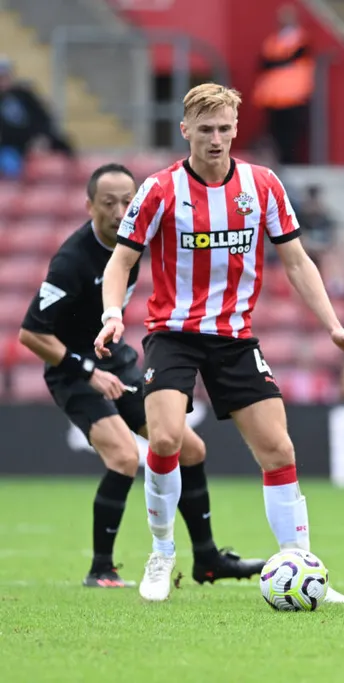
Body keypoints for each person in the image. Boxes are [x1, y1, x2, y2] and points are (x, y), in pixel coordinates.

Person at [93, 84, 344, 604]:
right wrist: (112, 315)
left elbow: (297, 261)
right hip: (173, 333)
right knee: (166, 440)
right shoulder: (160, 190)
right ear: (185, 131)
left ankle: (303, 565)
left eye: (224, 128)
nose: (216, 139)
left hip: (234, 337)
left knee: (278, 449)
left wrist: (332, 324)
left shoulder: (262, 185)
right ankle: (162, 552)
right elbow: (121, 261)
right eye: (205, 130)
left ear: (236, 128)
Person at [18, 163, 262, 588]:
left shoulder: (136, 239)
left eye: (126, 201)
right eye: (108, 203)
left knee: (191, 449)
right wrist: (87, 371)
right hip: (72, 369)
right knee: (124, 457)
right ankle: (101, 568)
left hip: (114, 359)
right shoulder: (72, 261)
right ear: (89, 206)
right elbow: (31, 333)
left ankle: (207, 559)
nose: (119, 211)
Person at [253, 4, 314, 164]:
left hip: (294, 96)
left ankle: (289, 163)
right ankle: (279, 163)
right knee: (275, 135)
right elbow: (264, 63)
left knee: (291, 136)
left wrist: (277, 62)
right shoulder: (273, 41)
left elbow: (289, 59)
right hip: (273, 98)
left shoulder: (302, 39)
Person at [0, 55, 73, 178]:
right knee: (10, 167)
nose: (3, 81)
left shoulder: (25, 94)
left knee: (64, 152)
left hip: (36, 139)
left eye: (5, 76)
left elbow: (43, 118)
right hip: (10, 145)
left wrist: (42, 138)